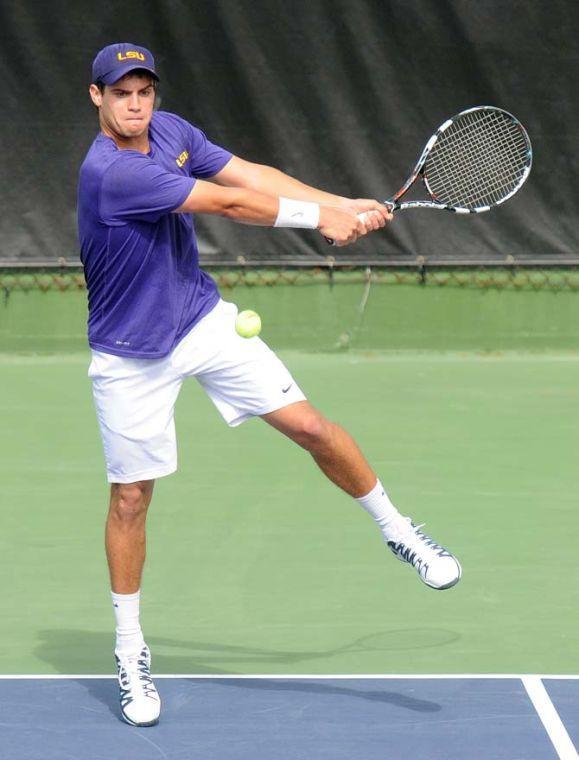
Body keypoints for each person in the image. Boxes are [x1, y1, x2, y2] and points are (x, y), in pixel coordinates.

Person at [78, 43, 461, 728]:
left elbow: (248, 172)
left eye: (144, 91)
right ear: (97, 98)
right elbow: (226, 202)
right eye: (121, 92)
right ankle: (130, 648)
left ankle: (399, 531)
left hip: (198, 319)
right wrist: (321, 220)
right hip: (130, 354)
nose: (136, 103)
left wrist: (337, 200)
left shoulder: (169, 132)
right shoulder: (109, 173)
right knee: (131, 499)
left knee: (310, 426)